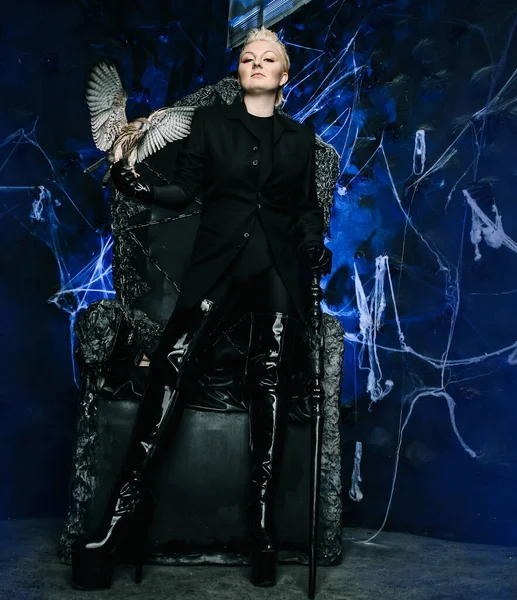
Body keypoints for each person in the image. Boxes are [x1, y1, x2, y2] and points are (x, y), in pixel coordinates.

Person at [71, 27, 332, 591]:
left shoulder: (301, 138)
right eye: (248, 57)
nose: (257, 64)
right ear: (239, 72)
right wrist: (133, 186)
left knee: (269, 377)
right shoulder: (211, 126)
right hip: (218, 266)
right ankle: (118, 524)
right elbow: (183, 192)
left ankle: (261, 528)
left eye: (269, 59)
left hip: (278, 272)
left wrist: (312, 241)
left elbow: (308, 209)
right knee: (170, 367)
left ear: (284, 76)